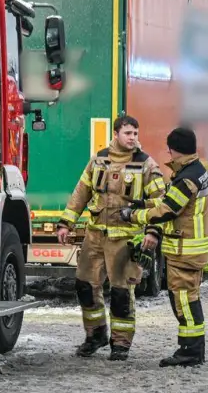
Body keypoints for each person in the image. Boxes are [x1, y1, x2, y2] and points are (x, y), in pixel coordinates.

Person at [56, 115, 167, 360]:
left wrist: (152, 231)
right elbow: (81, 193)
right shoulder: (99, 160)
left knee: (121, 293)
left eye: (136, 134)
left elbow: (161, 203)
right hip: (95, 235)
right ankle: (95, 335)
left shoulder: (146, 165)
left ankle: (121, 344)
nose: (133, 139)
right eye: (128, 133)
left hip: (125, 240)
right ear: (116, 134)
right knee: (85, 286)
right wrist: (66, 223)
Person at [125, 127, 208, 367]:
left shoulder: (187, 179)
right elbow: (170, 200)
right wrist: (144, 202)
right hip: (191, 250)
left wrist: (134, 215)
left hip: (186, 251)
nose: (168, 154)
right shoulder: (195, 172)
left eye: (170, 150)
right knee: (188, 299)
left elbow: (168, 210)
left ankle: (190, 352)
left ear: (175, 150)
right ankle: (192, 349)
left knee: (184, 301)